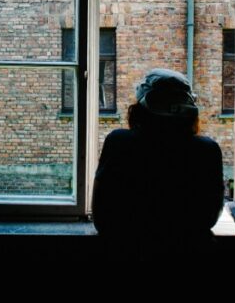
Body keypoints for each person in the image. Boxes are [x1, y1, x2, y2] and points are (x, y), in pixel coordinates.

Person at [91, 68, 225, 257]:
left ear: (139, 110)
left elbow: (101, 215)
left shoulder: (119, 143)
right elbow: (209, 216)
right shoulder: (207, 150)